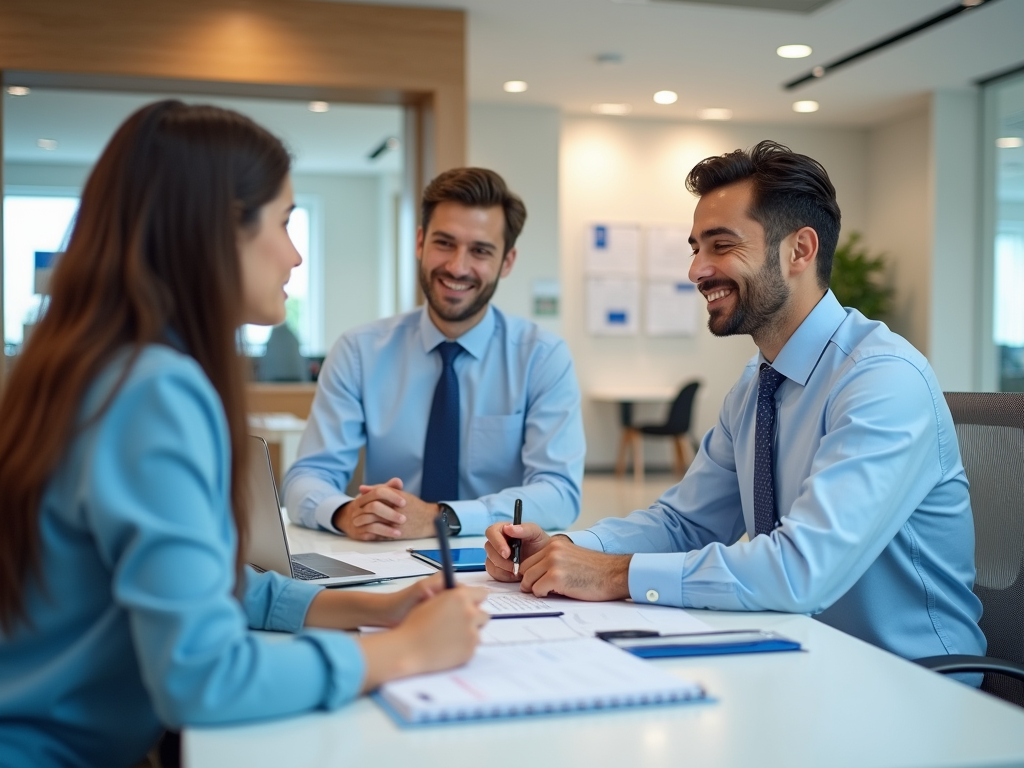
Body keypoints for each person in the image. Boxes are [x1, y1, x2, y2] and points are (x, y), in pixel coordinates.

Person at [0, 101, 488, 768]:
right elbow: (203, 677)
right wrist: (402, 653)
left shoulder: (95, 365)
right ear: (216, 231)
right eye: (285, 222)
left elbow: (211, 588)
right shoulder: (156, 391)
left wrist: (376, 609)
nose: (293, 253)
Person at [485, 140, 985, 664]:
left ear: (800, 250)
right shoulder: (756, 384)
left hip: (908, 680)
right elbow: (687, 524)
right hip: (798, 654)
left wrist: (614, 573)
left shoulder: (883, 381)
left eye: (720, 246)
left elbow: (800, 571)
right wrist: (563, 548)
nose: (696, 270)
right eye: (695, 247)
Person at [283, 167, 585, 541]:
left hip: (498, 566)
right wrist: (346, 512)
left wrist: (441, 517)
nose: (457, 266)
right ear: (420, 242)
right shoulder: (358, 352)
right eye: (444, 243)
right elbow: (306, 477)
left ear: (507, 262)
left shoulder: (542, 358)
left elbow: (559, 494)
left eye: (480, 251)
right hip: (382, 556)